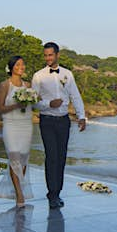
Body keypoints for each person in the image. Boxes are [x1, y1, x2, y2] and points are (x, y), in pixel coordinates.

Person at [31, 42, 87, 208]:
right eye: (45, 55)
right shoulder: (38, 76)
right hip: (46, 120)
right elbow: (33, 101)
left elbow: (75, 96)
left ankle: (58, 193)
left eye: (50, 55)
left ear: (57, 55)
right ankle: (52, 194)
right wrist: (49, 103)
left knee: (61, 158)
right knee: (52, 157)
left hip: (64, 121)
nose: (48, 58)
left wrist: (82, 116)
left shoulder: (67, 74)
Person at [0, 55, 33, 206]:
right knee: (14, 156)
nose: (21, 67)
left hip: (26, 125)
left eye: (23, 64)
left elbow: (34, 104)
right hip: (11, 125)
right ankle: (19, 193)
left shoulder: (28, 85)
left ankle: (19, 188)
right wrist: (17, 105)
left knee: (23, 158)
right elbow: (0, 109)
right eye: (18, 65)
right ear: (11, 68)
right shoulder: (5, 85)